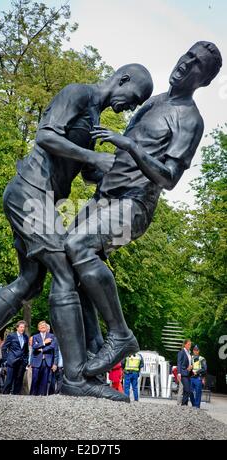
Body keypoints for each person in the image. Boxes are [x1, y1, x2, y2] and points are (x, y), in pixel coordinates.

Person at [0, 64, 153, 401]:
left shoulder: (94, 121)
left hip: (39, 200)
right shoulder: (78, 92)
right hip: (30, 193)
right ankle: (74, 379)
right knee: (65, 271)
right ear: (123, 79)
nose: (130, 107)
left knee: (29, 281)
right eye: (134, 98)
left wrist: (134, 174)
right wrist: (92, 156)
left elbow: (88, 172)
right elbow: (45, 135)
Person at [65, 41, 222, 377]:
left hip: (133, 207)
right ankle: (93, 354)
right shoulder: (153, 102)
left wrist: (131, 146)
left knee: (76, 245)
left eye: (196, 64)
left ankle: (120, 335)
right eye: (187, 55)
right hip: (104, 198)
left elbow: (168, 178)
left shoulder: (190, 121)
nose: (185, 63)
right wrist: (94, 166)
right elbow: (122, 160)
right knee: (68, 264)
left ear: (204, 81)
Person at [2, 321, 29, 395]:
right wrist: (6, 359)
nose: (22, 329)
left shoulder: (25, 337)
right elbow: (4, 348)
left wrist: (26, 361)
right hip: (12, 361)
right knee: (9, 381)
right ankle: (4, 396)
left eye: (23, 327)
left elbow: (26, 350)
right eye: (21, 327)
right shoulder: (11, 336)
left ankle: (16, 396)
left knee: (19, 381)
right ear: (17, 328)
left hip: (22, 362)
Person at [30, 321, 56, 396]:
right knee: (35, 379)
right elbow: (34, 347)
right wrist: (44, 342)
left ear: (46, 327)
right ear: (38, 328)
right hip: (37, 361)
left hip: (47, 361)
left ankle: (43, 395)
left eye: (44, 325)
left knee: (44, 380)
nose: (42, 327)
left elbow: (52, 346)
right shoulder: (35, 336)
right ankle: (33, 395)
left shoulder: (51, 336)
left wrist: (42, 349)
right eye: (41, 326)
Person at [190, 345, 207, 409]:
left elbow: (204, 369)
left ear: (198, 351)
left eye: (197, 350)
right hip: (191, 377)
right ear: (193, 350)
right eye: (194, 350)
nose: (195, 351)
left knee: (198, 393)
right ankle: (194, 404)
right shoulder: (190, 358)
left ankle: (197, 407)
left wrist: (197, 372)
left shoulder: (202, 359)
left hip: (198, 378)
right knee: (190, 391)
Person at [177, 339, 193, 406]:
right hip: (183, 373)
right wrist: (179, 373)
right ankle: (183, 404)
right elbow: (179, 363)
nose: (190, 346)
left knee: (187, 390)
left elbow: (188, 363)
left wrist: (191, 366)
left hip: (188, 373)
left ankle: (185, 405)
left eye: (190, 345)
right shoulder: (181, 352)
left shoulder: (189, 353)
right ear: (185, 344)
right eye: (189, 344)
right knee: (187, 390)